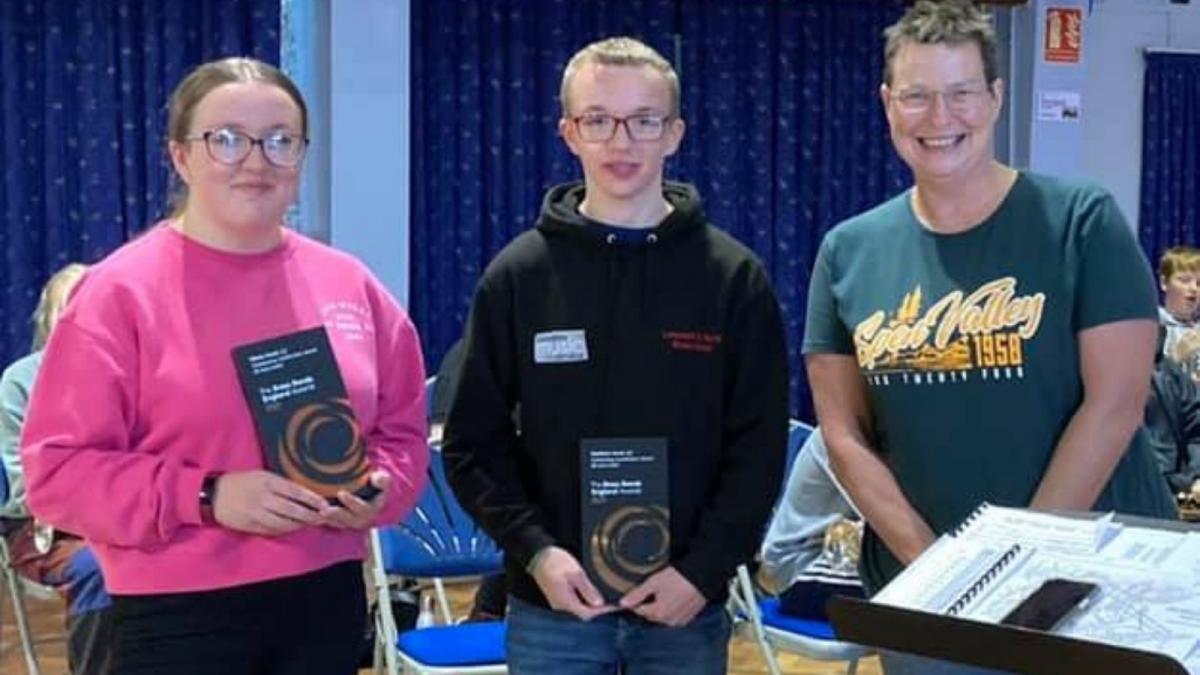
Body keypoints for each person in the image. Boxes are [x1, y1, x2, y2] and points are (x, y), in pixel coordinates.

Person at [19, 57, 429, 675]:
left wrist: (377, 492)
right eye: (228, 139)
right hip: (174, 613)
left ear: (301, 156)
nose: (256, 160)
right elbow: (58, 473)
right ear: (181, 157)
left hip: (327, 599)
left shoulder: (350, 284)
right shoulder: (117, 294)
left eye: (279, 140)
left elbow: (401, 433)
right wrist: (206, 495)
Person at [802, 2, 1175, 673]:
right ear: (888, 104)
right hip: (931, 600)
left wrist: (1018, 562)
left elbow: (1114, 404)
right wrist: (939, 565)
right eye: (916, 95)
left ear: (996, 98)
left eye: (961, 92)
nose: (939, 117)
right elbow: (844, 433)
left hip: (1093, 592)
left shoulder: (1080, 220)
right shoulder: (847, 250)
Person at [444, 36, 788, 675]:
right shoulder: (518, 277)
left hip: (686, 609)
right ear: (569, 132)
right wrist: (539, 554)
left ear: (675, 133)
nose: (621, 142)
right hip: (555, 611)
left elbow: (759, 448)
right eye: (598, 120)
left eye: (643, 121)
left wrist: (703, 569)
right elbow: (473, 445)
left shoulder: (733, 278)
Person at [0, 263, 116, 675]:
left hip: (128, 512)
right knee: (103, 568)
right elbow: (26, 491)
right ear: (49, 320)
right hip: (48, 527)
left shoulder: (132, 371)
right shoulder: (21, 382)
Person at [756, 427, 864, 620]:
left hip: (847, 553)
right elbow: (896, 522)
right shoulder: (844, 432)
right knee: (917, 591)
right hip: (800, 568)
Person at [1157, 246, 1200, 376]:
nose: (1193, 288)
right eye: (1184, 280)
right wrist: (1177, 356)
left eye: (1199, 283)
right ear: (1164, 283)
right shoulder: (1149, 328)